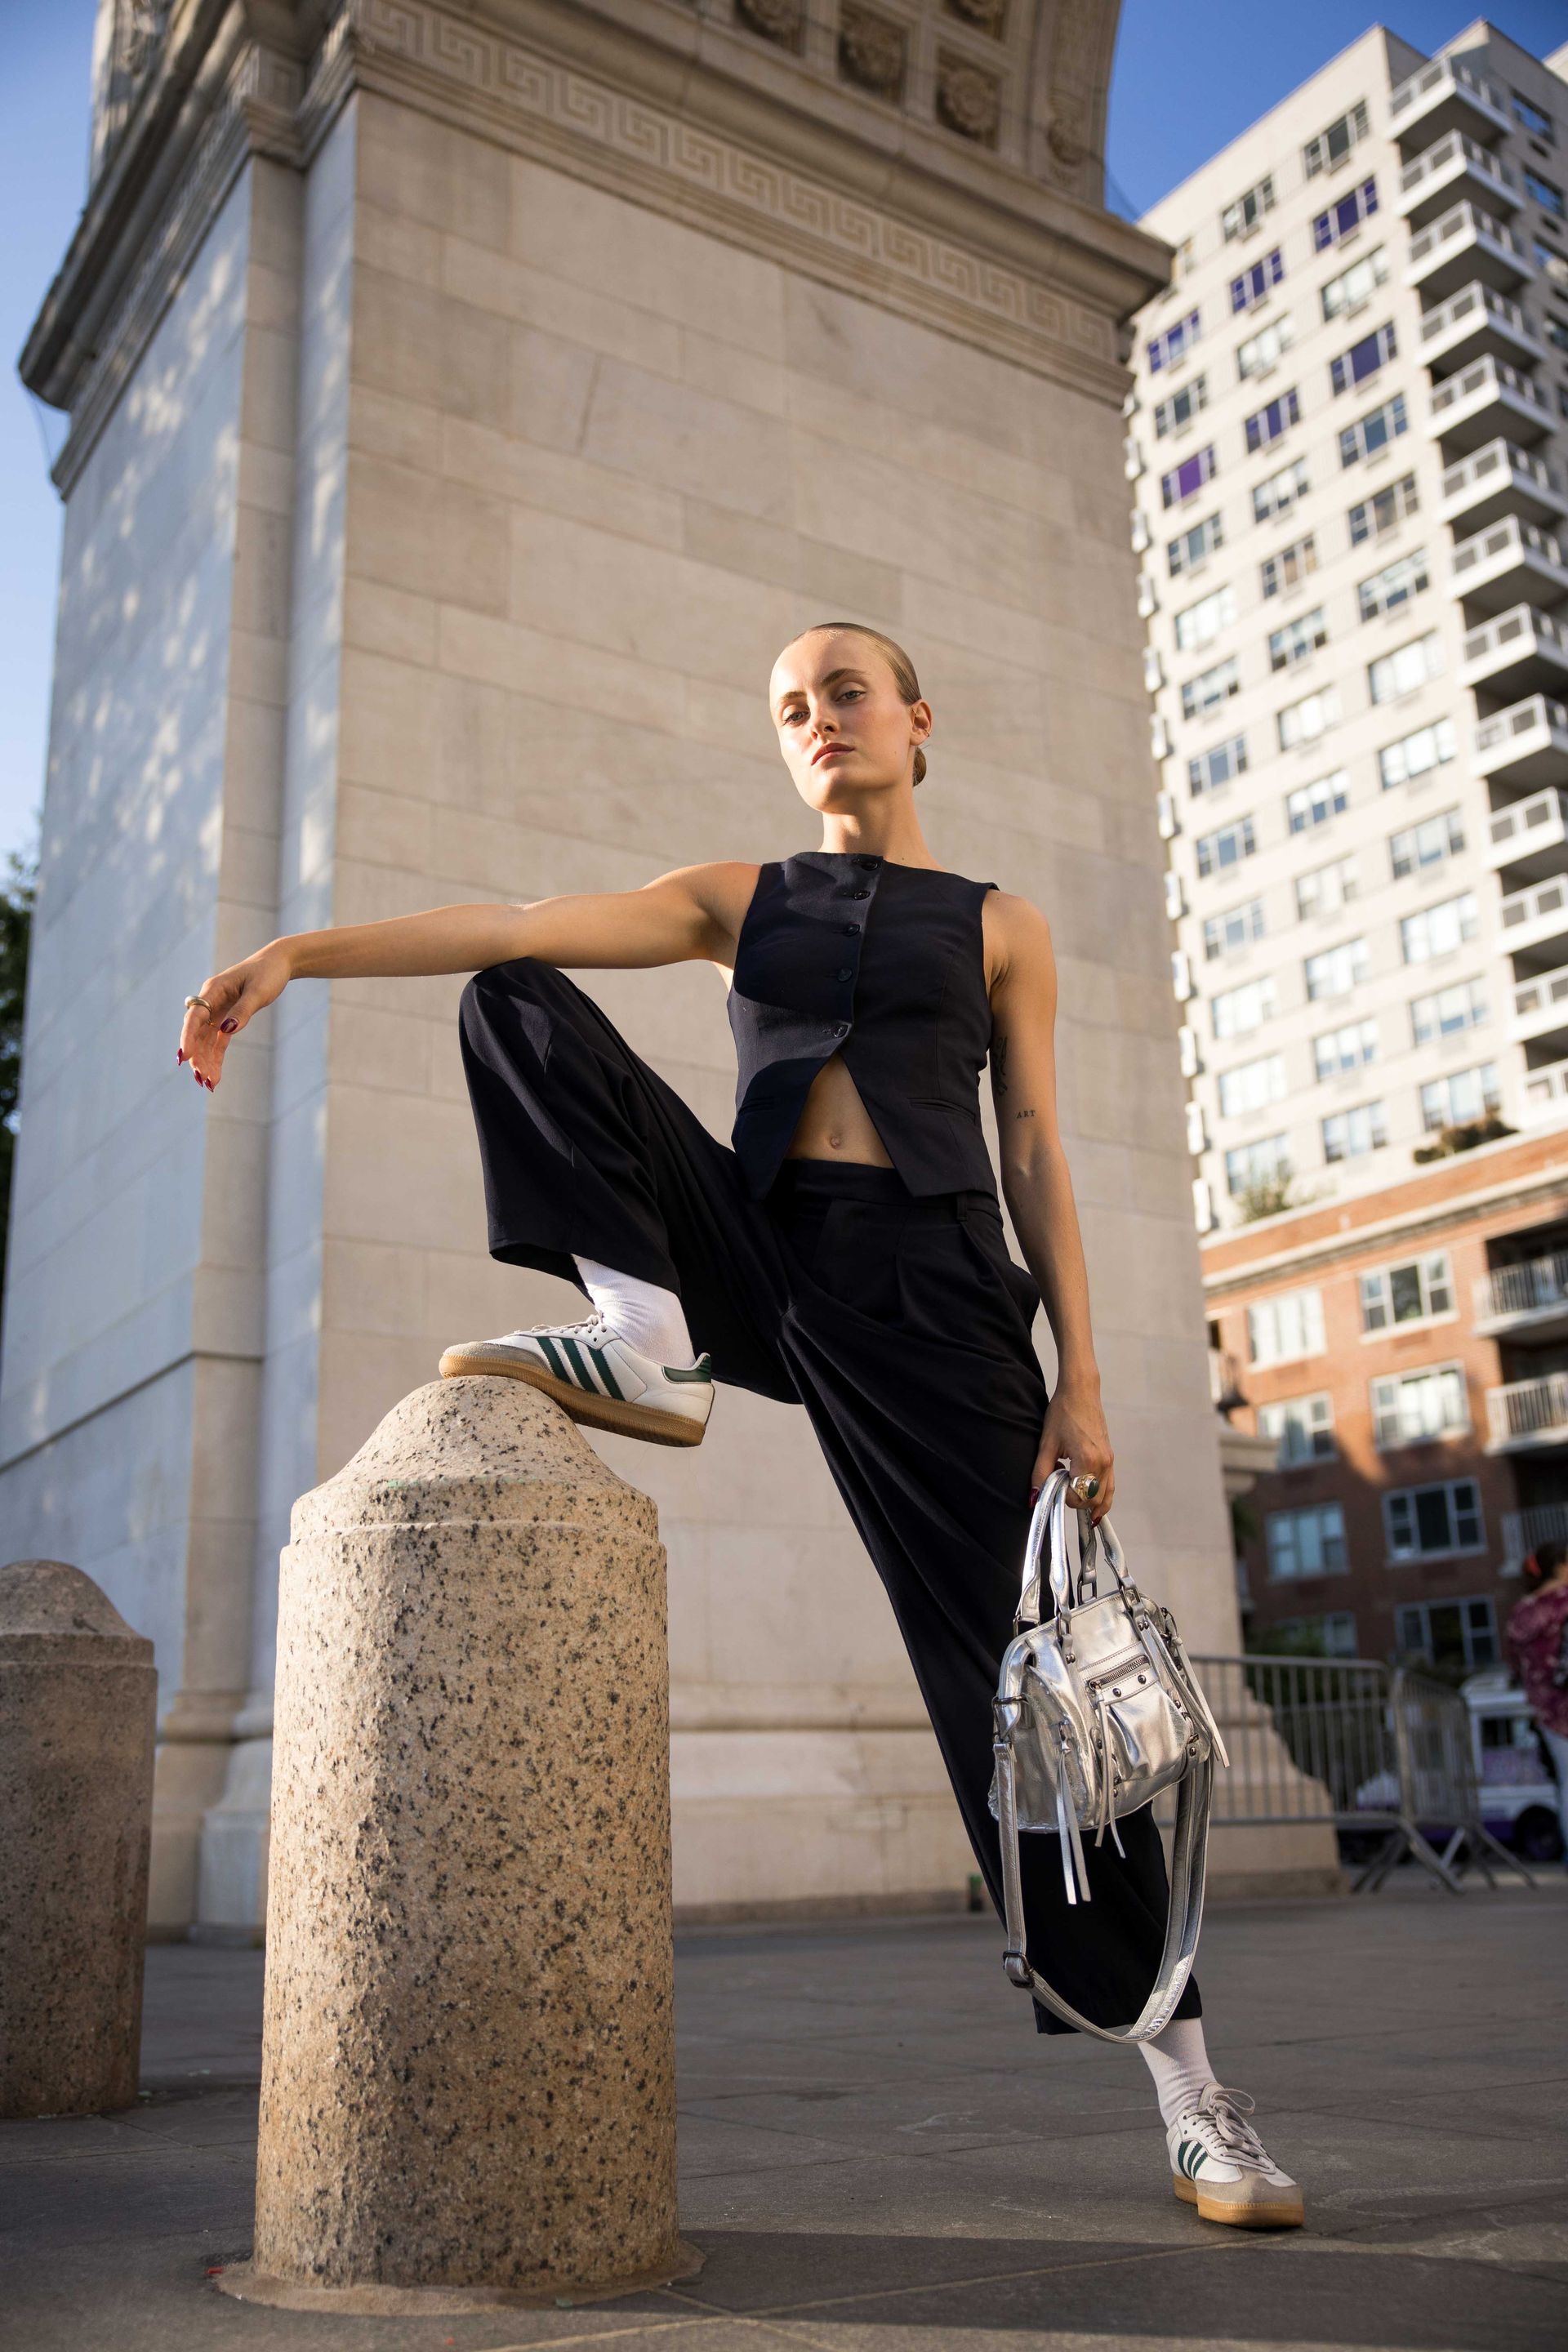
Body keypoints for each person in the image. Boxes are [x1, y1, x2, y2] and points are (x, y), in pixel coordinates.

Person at [175, 621, 1303, 2230]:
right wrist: (297, 954)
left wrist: (1086, 1377)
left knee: (1017, 1678)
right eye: (791, 706)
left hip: (936, 1298)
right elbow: (509, 917)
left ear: (919, 717)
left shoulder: (999, 927)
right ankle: (644, 1339)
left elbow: (1038, 1145)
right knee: (516, 994)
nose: (820, 719)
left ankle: (1190, 2087)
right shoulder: (741, 899)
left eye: (846, 691)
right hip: (765, 1261)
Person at [1507, 1540, 1568, 1865]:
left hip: (1546, 1707)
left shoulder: (1523, 1610)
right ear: (1560, 1566)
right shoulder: (1563, 1600)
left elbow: (1515, 1662)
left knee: (1567, 1779)